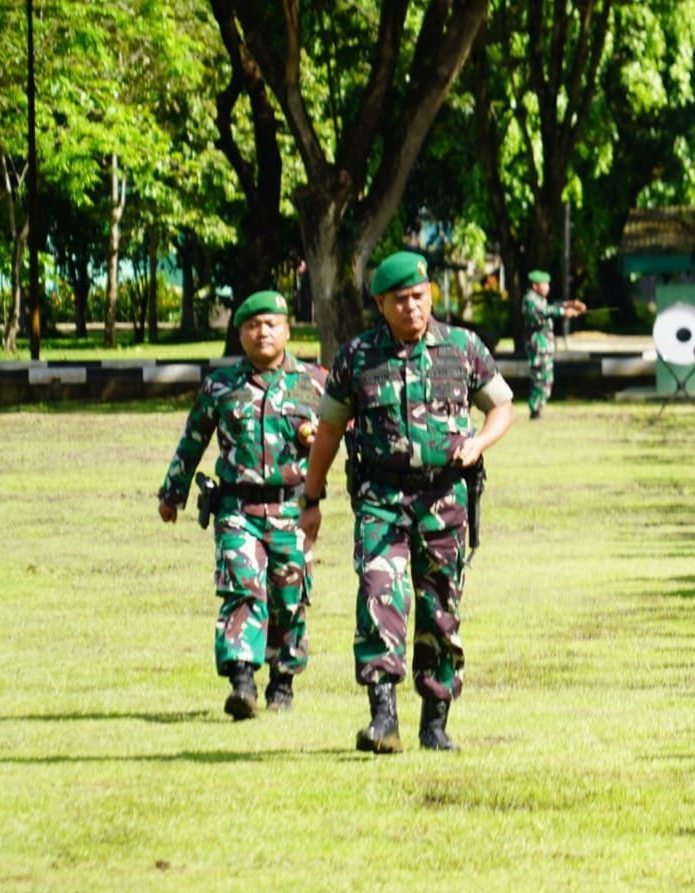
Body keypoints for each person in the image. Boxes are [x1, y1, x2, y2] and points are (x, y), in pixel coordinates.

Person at [302, 251, 515, 754]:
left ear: (430, 295)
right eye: (400, 300)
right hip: (381, 497)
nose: (412, 308)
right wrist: (311, 497)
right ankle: (383, 719)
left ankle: (435, 722)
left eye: (419, 297)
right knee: (380, 594)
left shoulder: (462, 347)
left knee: (440, 606)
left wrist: (479, 443)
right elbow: (329, 430)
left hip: (444, 497)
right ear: (381, 304)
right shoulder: (358, 357)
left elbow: (502, 406)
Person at [157, 290, 326, 720]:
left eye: (271, 324)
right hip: (237, 509)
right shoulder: (222, 386)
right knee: (242, 589)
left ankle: (282, 681)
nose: (262, 332)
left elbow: (343, 436)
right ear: (240, 334)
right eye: (252, 326)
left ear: (288, 329)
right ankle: (242, 682)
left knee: (289, 598)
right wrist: (172, 492)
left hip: (291, 509)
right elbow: (193, 439)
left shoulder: (314, 383)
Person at [521, 269, 586, 419]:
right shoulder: (530, 299)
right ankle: (535, 410)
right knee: (539, 377)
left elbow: (552, 305)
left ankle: (539, 408)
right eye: (544, 284)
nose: (547, 287)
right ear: (535, 285)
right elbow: (546, 310)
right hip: (538, 345)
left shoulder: (538, 298)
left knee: (546, 377)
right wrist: (565, 312)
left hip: (544, 346)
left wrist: (571, 304)